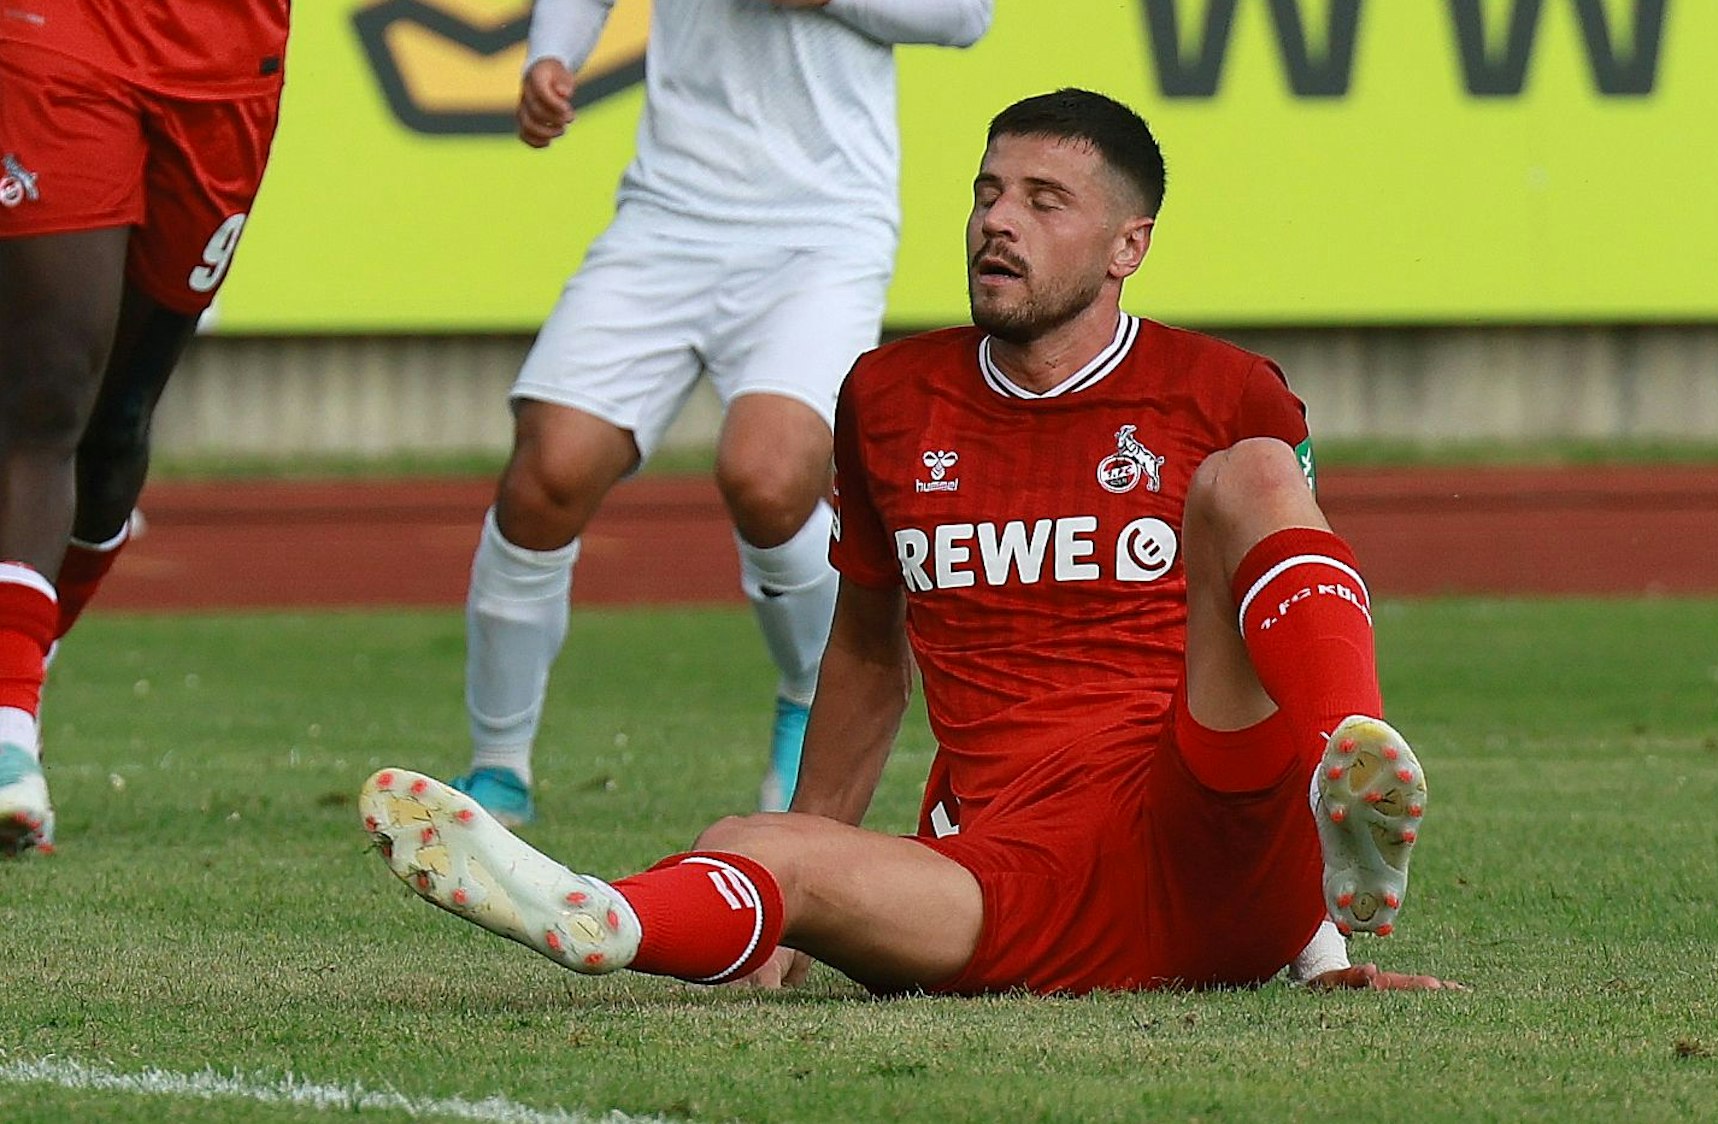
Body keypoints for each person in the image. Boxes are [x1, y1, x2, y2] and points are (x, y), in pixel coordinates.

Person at [363, 89, 1455, 994]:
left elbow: (1265, 635)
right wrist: (787, 919)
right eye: (985, 193)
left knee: (1252, 477)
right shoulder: (888, 398)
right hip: (1015, 865)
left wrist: (1320, 952)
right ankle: (601, 915)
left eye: (1042, 200)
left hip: (1210, 820)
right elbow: (866, 658)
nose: (996, 220)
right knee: (753, 843)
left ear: (1129, 244)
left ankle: (1345, 750)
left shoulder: (1223, 389)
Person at [451, 0, 993, 825]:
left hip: (823, 228)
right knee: (547, 472)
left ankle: (814, 691)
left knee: (769, 476)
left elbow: (965, 16)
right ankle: (497, 770)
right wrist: (549, 57)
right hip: (668, 215)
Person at [0, 0, 291, 856]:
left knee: (117, 428)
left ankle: (21, 686)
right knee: (46, 390)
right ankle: (8, 734)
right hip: (59, 31)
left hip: (227, 58)